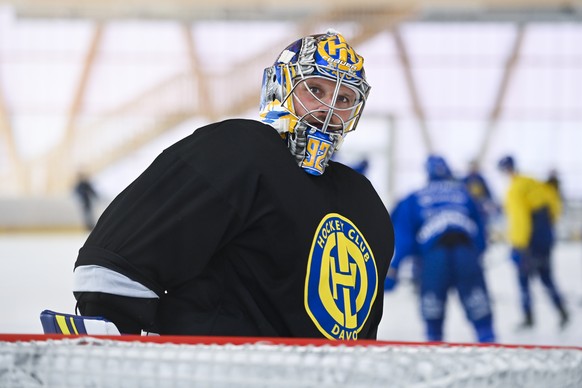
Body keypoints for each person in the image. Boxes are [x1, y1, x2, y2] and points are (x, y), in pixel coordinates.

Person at [71, 31, 395, 340]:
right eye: (315, 90)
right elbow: (117, 260)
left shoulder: (363, 197)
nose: (328, 108)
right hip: (218, 372)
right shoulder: (240, 150)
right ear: (281, 87)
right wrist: (111, 348)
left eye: (344, 98)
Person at [384, 155, 495, 343]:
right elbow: (481, 232)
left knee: (433, 321)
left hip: (434, 257)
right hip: (466, 253)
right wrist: (478, 254)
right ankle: (491, 349)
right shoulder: (464, 193)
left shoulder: (415, 197)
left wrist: (393, 269)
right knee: (481, 316)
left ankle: (434, 352)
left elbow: (404, 238)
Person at [497, 156, 569, 329]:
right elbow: (554, 206)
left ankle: (528, 317)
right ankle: (561, 310)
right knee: (546, 277)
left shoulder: (515, 189)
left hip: (528, 243)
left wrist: (519, 244)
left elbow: (520, 219)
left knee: (523, 280)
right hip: (545, 239)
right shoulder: (533, 181)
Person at [462, 159, 499, 227]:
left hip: (481, 206)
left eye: (474, 166)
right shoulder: (465, 180)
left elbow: (487, 192)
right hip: (470, 206)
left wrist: (489, 201)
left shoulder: (480, 179)